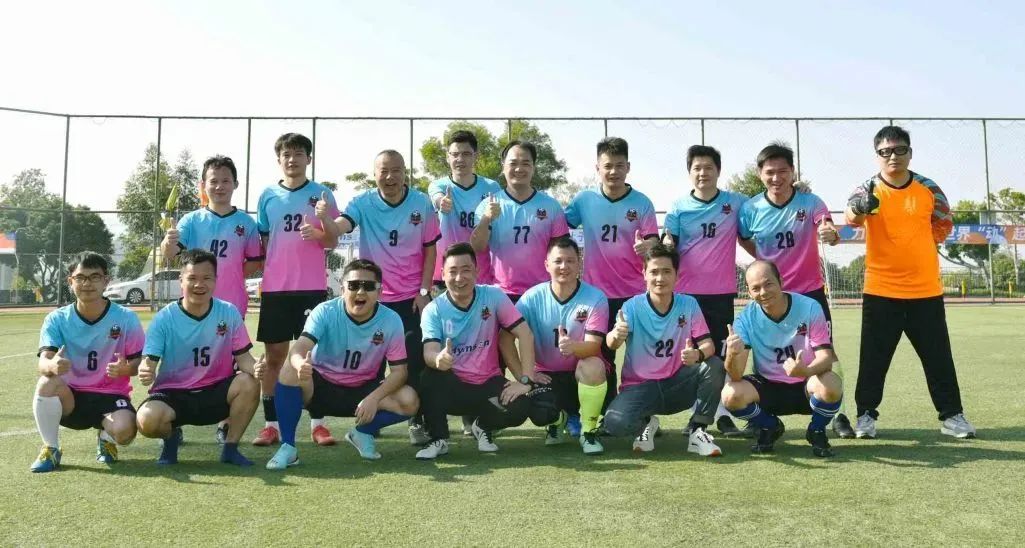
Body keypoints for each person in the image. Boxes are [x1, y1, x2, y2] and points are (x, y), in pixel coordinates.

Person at [845, 125, 975, 439]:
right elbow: (852, 215)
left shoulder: (929, 188)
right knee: (873, 359)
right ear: (877, 156)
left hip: (925, 290)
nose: (893, 156)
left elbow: (944, 222)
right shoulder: (867, 188)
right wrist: (861, 207)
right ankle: (865, 416)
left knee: (938, 357)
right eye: (885, 152)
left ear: (910, 153)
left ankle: (952, 416)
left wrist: (919, 246)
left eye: (900, 150)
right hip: (880, 290)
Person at [737, 142, 854, 439]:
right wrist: (764, 262)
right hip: (769, 295)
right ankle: (762, 417)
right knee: (763, 349)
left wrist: (830, 234)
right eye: (770, 172)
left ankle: (837, 413)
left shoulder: (811, 202)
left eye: (783, 171)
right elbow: (744, 238)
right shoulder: (750, 209)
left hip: (809, 292)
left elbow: (828, 230)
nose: (776, 178)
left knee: (826, 353)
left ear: (793, 172)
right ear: (760, 174)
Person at [266, 259, 420, 469]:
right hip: (320, 388)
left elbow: (399, 372)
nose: (360, 292)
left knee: (409, 399)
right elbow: (298, 349)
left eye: (368, 286)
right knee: (289, 369)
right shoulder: (325, 311)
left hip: (363, 392)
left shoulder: (391, 320)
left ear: (380, 292)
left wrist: (374, 398)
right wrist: (300, 364)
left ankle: (362, 433)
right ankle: (288, 448)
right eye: (354, 285)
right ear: (342, 288)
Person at [332, 150, 440, 445]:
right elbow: (342, 225)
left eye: (396, 170)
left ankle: (417, 420)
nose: (390, 177)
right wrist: (327, 225)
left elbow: (430, 249)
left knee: (413, 361)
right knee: (371, 363)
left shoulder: (421, 203)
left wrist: (424, 291)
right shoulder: (362, 202)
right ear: (374, 174)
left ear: (405, 172)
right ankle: (371, 418)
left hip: (410, 298)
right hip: (373, 298)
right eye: (384, 171)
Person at [415, 243, 554, 460]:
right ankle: (438, 439)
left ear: (477, 271)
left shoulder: (493, 296)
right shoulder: (434, 309)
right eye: (453, 271)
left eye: (466, 270)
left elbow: (525, 334)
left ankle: (482, 426)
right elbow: (429, 352)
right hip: (454, 386)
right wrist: (438, 359)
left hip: (488, 383)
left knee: (521, 405)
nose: (459, 278)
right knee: (429, 377)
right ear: (442, 274)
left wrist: (525, 379)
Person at [160, 155, 263, 444]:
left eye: (225, 181)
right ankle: (173, 419)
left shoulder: (246, 223)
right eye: (213, 181)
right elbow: (171, 255)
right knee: (181, 359)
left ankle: (225, 423)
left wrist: (227, 275)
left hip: (231, 305)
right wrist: (167, 243)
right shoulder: (191, 220)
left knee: (230, 364)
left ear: (235, 184)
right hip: (191, 307)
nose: (219, 186)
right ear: (203, 185)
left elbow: (255, 261)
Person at [564, 137, 658, 435]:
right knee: (600, 358)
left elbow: (654, 242)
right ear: (597, 168)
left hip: (634, 295)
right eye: (608, 166)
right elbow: (558, 225)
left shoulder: (642, 203)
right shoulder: (583, 200)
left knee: (640, 359)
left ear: (628, 167)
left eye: (619, 165)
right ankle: (606, 414)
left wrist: (648, 247)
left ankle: (644, 416)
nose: (613, 171)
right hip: (596, 297)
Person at [135, 250, 264, 466]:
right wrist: (145, 370)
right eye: (192, 278)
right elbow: (149, 362)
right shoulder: (165, 318)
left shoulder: (228, 312)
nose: (199, 284)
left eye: (206, 278)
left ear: (215, 280)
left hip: (215, 392)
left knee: (249, 382)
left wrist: (257, 368)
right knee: (147, 420)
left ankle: (230, 449)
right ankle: (170, 440)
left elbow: (244, 359)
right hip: (174, 394)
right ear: (181, 280)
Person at [254, 133, 341, 447]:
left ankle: (318, 424)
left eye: (299, 154)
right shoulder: (267, 195)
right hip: (276, 289)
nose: (292, 160)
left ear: (309, 158)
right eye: (287, 154)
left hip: (311, 288)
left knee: (313, 357)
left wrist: (318, 232)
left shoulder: (322, 194)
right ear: (279, 159)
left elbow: (332, 240)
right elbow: (265, 242)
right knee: (274, 357)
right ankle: (271, 425)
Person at [602, 244, 725, 457]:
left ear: (677, 274)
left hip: (677, 385)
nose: (660, 278)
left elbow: (708, 346)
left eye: (667, 271)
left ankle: (698, 430)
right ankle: (646, 424)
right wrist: (617, 334)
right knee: (614, 423)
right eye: (654, 272)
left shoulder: (689, 304)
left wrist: (697, 354)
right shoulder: (631, 306)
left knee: (714, 365)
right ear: (644, 273)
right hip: (640, 387)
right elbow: (611, 343)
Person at [662, 145, 749, 438]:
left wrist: (796, 190)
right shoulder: (678, 207)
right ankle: (697, 414)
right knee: (692, 355)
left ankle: (722, 414)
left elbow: (767, 201)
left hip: (721, 295)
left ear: (718, 171)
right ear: (689, 172)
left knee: (721, 355)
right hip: (687, 297)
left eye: (708, 167)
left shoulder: (736, 203)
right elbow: (668, 242)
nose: (703, 173)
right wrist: (666, 244)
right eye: (697, 168)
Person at [30, 253, 145, 472]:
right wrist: (52, 366)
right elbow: (43, 363)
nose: (87, 283)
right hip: (71, 397)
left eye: (95, 277)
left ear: (106, 280)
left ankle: (106, 437)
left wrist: (126, 369)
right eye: (80, 277)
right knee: (46, 382)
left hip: (111, 396)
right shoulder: (57, 319)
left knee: (126, 432)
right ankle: (51, 448)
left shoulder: (126, 318)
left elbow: (138, 363)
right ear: (70, 281)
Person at [721, 261, 842, 457]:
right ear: (749, 292)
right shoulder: (744, 319)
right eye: (756, 288)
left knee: (832, 383)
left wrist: (806, 370)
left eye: (768, 284)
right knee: (730, 394)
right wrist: (732, 354)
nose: (763, 292)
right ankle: (770, 426)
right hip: (768, 387)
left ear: (781, 281)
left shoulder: (810, 307)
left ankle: (816, 430)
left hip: (806, 385)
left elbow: (826, 358)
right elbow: (735, 376)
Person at [510, 237, 610, 454]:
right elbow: (505, 338)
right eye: (558, 261)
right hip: (545, 376)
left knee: (594, 365)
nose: (564, 266)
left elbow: (594, 346)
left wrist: (573, 347)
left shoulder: (596, 297)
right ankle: (558, 420)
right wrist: (524, 375)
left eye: (570, 261)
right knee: (540, 414)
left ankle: (588, 432)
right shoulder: (531, 298)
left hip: (580, 375)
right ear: (547, 265)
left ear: (579, 263)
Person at [470, 140, 570, 301]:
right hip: (500, 294)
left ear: (533, 167)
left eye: (525, 163)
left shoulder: (551, 206)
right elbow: (477, 247)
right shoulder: (488, 205)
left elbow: (561, 252)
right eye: (513, 163)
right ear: (503, 166)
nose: (519, 169)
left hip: (542, 293)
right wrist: (486, 219)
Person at [428, 129, 501, 287]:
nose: (460, 159)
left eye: (466, 154)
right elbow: (437, 198)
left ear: (476, 156)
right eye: (455, 154)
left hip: (480, 273)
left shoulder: (491, 187)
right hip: (445, 273)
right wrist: (442, 202)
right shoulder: (438, 185)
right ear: (447, 157)